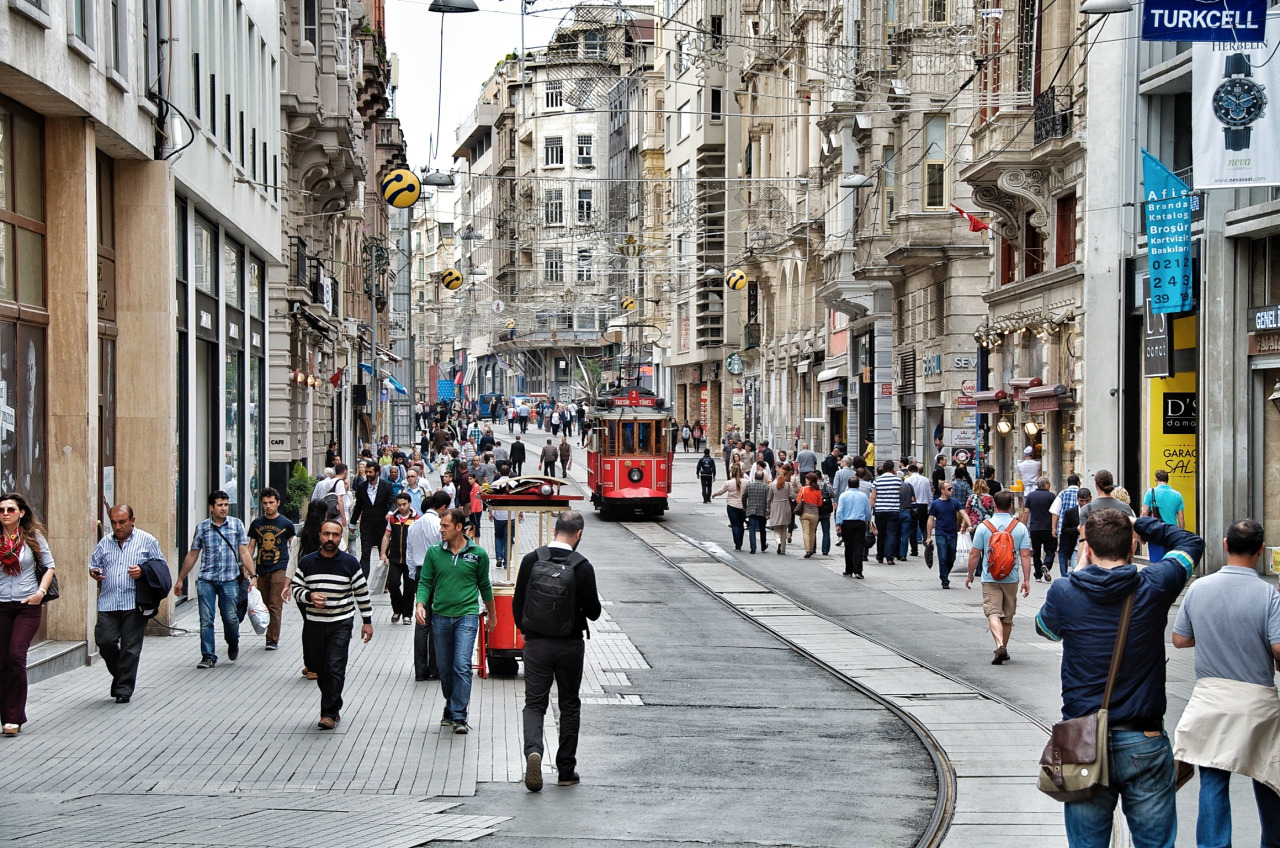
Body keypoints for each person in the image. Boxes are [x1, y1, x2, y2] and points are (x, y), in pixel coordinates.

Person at [1035, 513, 1204, 848]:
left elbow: (1046, 629)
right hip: (1144, 738)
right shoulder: (1155, 583)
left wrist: (1082, 567)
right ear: (1132, 545)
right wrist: (1142, 524)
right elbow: (1190, 543)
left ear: (1088, 547)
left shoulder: (1065, 590)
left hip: (1082, 741)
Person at [1172, 519, 1280, 848]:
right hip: (1257, 704)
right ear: (1260, 551)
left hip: (1211, 701)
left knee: (1214, 780)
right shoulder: (1269, 594)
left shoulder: (1199, 588)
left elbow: (1179, 639)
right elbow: (1278, 648)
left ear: (1224, 544)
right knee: (1269, 778)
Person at [513, 511, 603, 791]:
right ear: (579, 534)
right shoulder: (582, 566)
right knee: (569, 705)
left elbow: (518, 604)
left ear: (555, 530)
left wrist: (529, 632)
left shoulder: (532, 560)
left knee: (535, 704)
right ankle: (565, 770)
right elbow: (594, 612)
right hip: (569, 646)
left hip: (537, 644)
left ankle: (533, 751)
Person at [415, 508, 496, 734]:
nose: (440, 530)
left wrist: (492, 615)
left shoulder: (478, 554)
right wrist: (420, 604)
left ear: (459, 527)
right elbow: (425, 583)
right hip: (440, 616)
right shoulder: (434, 553)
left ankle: (460, 715)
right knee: (444, 667)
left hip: (467, 616)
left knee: (461, 665)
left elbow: (485, 586)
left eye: (445, 526)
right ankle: (450, 704)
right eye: (441, 526)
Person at [291, 519, 373, 730]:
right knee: (320, 668)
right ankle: (334, 702)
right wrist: (309, 596)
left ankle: (328, 713)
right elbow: (296, 589)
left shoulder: (350, 563)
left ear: (341, 537)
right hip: (315, 624)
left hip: (341, 622)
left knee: (335, 666)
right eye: (326, 534)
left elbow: (361, 593)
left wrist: (367, 621)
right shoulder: (308, 562)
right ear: (320, 535)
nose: (330, 539)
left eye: (335, 535)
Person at [89, 504, 165, 703]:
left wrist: (142, 570)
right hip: (108, 602)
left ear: (132, 520)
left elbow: (160, 567)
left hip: (134, 602)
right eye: (113, 522)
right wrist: (94, 572)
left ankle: (123, 689)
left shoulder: (147, 541)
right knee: (105, 642)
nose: (117, 526)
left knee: (130, 647)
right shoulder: (105, 543)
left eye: (122, 522)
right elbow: (94, 564)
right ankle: (121, 676)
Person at [175, 490, 255, 669]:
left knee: (231, 618)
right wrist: (181, 579)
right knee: (206, 619)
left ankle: (232, 641)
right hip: (207, 580)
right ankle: (208, 656)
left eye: (226, 505)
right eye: (220, 505)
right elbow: (193, 554)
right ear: (211, 507)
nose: (224, 508)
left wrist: (253, 575)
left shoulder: (236, 525)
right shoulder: (202, 527)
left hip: (229, 579)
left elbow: (243, 551)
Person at [0, 493, 55, 736]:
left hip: (27, 605)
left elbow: (50, 566)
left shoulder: (33, 536)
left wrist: (39, 593)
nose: (5, 514)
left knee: (15, 655)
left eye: (11, 509)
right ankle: (7, 715)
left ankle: (13, 718)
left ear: (21, 512)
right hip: (1, 604)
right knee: (2, 662)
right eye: (1, 510)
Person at [965, 490, 1031, 665]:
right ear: (1011, 506)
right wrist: (1027, 580)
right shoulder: (1020, 527)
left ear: (994, 505)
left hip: (990, 577)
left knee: (993, 613)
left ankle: (999, 645)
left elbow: (974, 554)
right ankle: (1003, 648)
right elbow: (1025, 555)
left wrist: (970, 575)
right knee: (1008, 616)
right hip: (1011, 578)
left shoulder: (984, 526)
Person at [406, 491, 451, 681]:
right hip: (435, 574)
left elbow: (409, 553)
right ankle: (435, 668)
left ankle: (420, 670)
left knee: (422, 621)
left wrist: (412, 575)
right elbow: (443, 550)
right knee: (436, 621)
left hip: (418, 571)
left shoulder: (414, 525)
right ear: (442, 508)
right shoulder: (437, 526)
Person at [246, 487, 296, 650]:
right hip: (261, 569)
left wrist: (294, 569)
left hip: (279, 568)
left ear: (278, 503)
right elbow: (251, 547)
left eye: (271, 503)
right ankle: (269, 632)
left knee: (275, 604)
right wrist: (247, 567)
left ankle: (272, 639)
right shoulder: (257, 524)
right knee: (264, 603)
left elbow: (293, 546)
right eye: (265, 503)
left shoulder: (286, 524)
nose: (268, 506)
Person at [349, 463, 393, 580]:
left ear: (377, 473)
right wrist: (352, 523)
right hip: (366, 525)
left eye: (370, 472)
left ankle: (384, 581)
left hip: (381, 525)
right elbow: (358, 506)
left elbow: (392, 501)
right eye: (367, 472)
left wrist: (390, 512)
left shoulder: (386, 486)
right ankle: (363, 581)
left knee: (383, 552)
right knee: (365, 553)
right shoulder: (362, 487)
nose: (367, 474)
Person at [380, 493, 418, 625]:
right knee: (393, 584)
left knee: (409, 588)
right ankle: (397, 609)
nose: (401, 507)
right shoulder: (392, 518)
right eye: (399, 505)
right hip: (395, 558)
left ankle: (407, 615)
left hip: (410, 560)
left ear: (409, 504)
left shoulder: (416, 519)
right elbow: (386, 536)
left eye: (404, 504)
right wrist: (383, 553)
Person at [925, 481, 970, 589]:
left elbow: (963, 513)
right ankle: (944, 579)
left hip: (952, 533)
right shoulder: (936, 504)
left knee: (952, 557)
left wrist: (970, 524)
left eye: (951, 488)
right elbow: (930, 519)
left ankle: (945, 573)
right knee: (943, 557)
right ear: (942, 491)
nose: (952, 490)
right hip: (941, 533)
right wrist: (928, 536)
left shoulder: (954, 502)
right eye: (949, 489)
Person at [1141, 470, 1186, 561]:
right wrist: (1180, 533)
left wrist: (1142, 532)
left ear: (1155, 479)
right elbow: (1181, 517)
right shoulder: (1178, 495)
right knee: (1171, 561)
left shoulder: (1151, 492)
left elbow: (1144, 513)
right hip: (1172, 532)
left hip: (1155, 532)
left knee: (1157, 562)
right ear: (1167, 480)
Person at [1021, 476, 1057, 583]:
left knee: (1036, 552)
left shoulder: (1031, 496)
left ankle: (1038, 575)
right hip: (1047, 528)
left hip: (1034, 528)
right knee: (1050, 550)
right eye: (1049, 483)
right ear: (1046, 485)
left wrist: (1023, 526)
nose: (1049, 485)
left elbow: (1026, 512)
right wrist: (1054, 527)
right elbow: (1054, 512)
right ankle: (1046, 565)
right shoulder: (1051, 496)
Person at [835, 477, 872, 578]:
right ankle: (858, 571)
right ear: (858, 485)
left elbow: (839, 511)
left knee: (848, 546)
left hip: (847, 523)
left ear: (848, 484)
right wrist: (867, 520)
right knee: (859, 547)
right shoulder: (863, 496)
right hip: (860, 523)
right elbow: (867, 510)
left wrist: (838, 523)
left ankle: (849, 569)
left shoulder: (843, 495)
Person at [1049, 474, 1081, 578]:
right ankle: (1076, 574)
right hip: (1079, 527)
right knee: (1076, 551)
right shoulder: (1081, 493)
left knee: (1063, 553)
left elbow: (1055, 512)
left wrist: (1054, 528)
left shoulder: (1063, 493)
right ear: (1078, 483)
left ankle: (1064, 575)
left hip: (1065, 528)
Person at [869, 461, 901, 565]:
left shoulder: (877, 480)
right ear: (893, 469)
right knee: (891, 534)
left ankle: (880, 556)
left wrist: (869, 510)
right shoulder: (897, 480)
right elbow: (900, 491)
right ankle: (890, 557)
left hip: (880, 510)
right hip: (893, 510)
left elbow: (873, 497)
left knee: (881, 534)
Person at [712, 464, 748, 551]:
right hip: (743, 506)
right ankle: (740, 542)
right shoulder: (746, 482)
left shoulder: (729, 483)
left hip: (732, 505)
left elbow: (722, 491)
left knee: (735, 525)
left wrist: (715, 494)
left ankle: (737, 544)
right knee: (741, 525)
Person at [795, 473, 824, 559]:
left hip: (804, 513)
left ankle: (807, 550)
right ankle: (811, 549)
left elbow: (798, 500)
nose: (806, 481)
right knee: (812, 532)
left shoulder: (803, 489)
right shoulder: (818, 491)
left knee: (806, 532)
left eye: (807, 479)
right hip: (814, 514)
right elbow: (820, 503)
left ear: (810, 480)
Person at [742, 471, 772, 554]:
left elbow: (744, 496)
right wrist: (768, 510)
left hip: (751, 510)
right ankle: (763, 545)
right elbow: (768, 499)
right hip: (762, 510)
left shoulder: (749, 485)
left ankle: (753, 547)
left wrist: (744, 506)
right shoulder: (766, 487)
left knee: (752, 529)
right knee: (762, 529)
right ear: (763, 478)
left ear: (754, 477)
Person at [767, 468, 795, 555]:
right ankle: (783, 549)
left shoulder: (772, 486)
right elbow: (792, 496)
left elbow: (769, 498)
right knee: (784, 529)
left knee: (777, 528)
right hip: (786, 506)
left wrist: (768, 507)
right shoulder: (788, 485)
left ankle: (778, 542)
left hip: (776, 506)